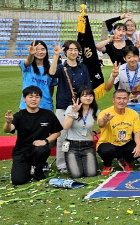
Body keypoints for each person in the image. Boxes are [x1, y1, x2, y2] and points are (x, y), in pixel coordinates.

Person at [4, 86, 62, 185]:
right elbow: (8, 129)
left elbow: (57, 132)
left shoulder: (48, 114)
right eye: (30, 96)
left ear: (40, 98)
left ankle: (38, 169)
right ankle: (27, 167)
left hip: (38, 149)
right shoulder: (19, 115)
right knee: (18, 180)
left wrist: (46, 141)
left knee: (42, 149)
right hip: (22, 152)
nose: (34, 99)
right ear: (24, 99)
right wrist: (8, 122)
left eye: (37, 96)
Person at [49, 40, 91, 174]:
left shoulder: (83, 67)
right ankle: (62, 164)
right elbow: (51, 73)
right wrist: (56, 56)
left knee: (79, 134)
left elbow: (87, 87)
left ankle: (77, 160)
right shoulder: (61, 67)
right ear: (65, 51)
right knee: (62, 136)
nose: (73, 52)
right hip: (63, 105)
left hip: (79, 106)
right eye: (70, 49)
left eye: (75, 49)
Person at [97, 89, 140, 175]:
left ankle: (125, 161)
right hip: (109, 143)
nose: (121, 101)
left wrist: (138, 146)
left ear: (128, 100)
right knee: (106, 150)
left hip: (125, 144)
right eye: (118, 98)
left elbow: (137, 132)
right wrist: (105, 120)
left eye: (124, 98)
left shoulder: (133, 114)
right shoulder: (105, 113)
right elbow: (101, 124)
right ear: (113, 100)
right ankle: (107, 165)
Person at [62, 87, 100, 178]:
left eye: (90, 95)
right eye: (85, 95)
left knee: (91, 173)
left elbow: (104, 125)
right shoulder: (71, 108)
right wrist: (74, 112)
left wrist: (95, 132)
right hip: (72, 145)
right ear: (78, 97)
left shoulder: (95, 111)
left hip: (88, 145)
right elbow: (65, 127)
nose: (88, 98)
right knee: (76, 174)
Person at [105, 46, 140, 119]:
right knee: (123, 127)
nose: (132, 59)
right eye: (129, 57)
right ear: (124, 58)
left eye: (135, 56)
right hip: (123, 103)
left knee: (139, 128)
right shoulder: (120, 69)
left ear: (139, 57)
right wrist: (113, 76)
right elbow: (107, 88)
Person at [19, 40, 56, 111]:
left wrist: (48, 99)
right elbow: (28, 61)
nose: (40, 52)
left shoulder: (51, 68)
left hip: (46, 105)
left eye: (43, 49)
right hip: (27, 105)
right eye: (37, 50)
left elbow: (51, 87)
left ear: (46, 51)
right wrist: (31, 54)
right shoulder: (28, 66)